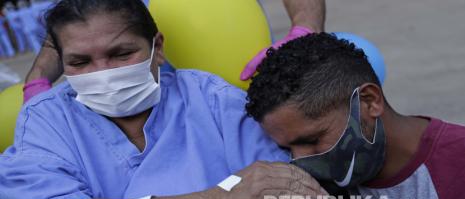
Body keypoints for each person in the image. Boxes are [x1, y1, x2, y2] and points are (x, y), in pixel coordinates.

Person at [0, 0, 328, 199]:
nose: (103, 72)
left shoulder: (210, 99)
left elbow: (286, 191)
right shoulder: (47, 117)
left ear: (158, 48)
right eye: (80, 62)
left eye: (122, 54)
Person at [213, 33, 465, 199]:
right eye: (287, 149)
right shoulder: (309, 180)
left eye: (312, 139)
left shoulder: (456, 170)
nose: (301, 162)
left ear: (369, 101)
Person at [21, 0, 326, 102]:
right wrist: (37, 78)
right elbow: (71, 19)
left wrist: (305, 28)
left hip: (243, 72)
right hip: (147, 91)